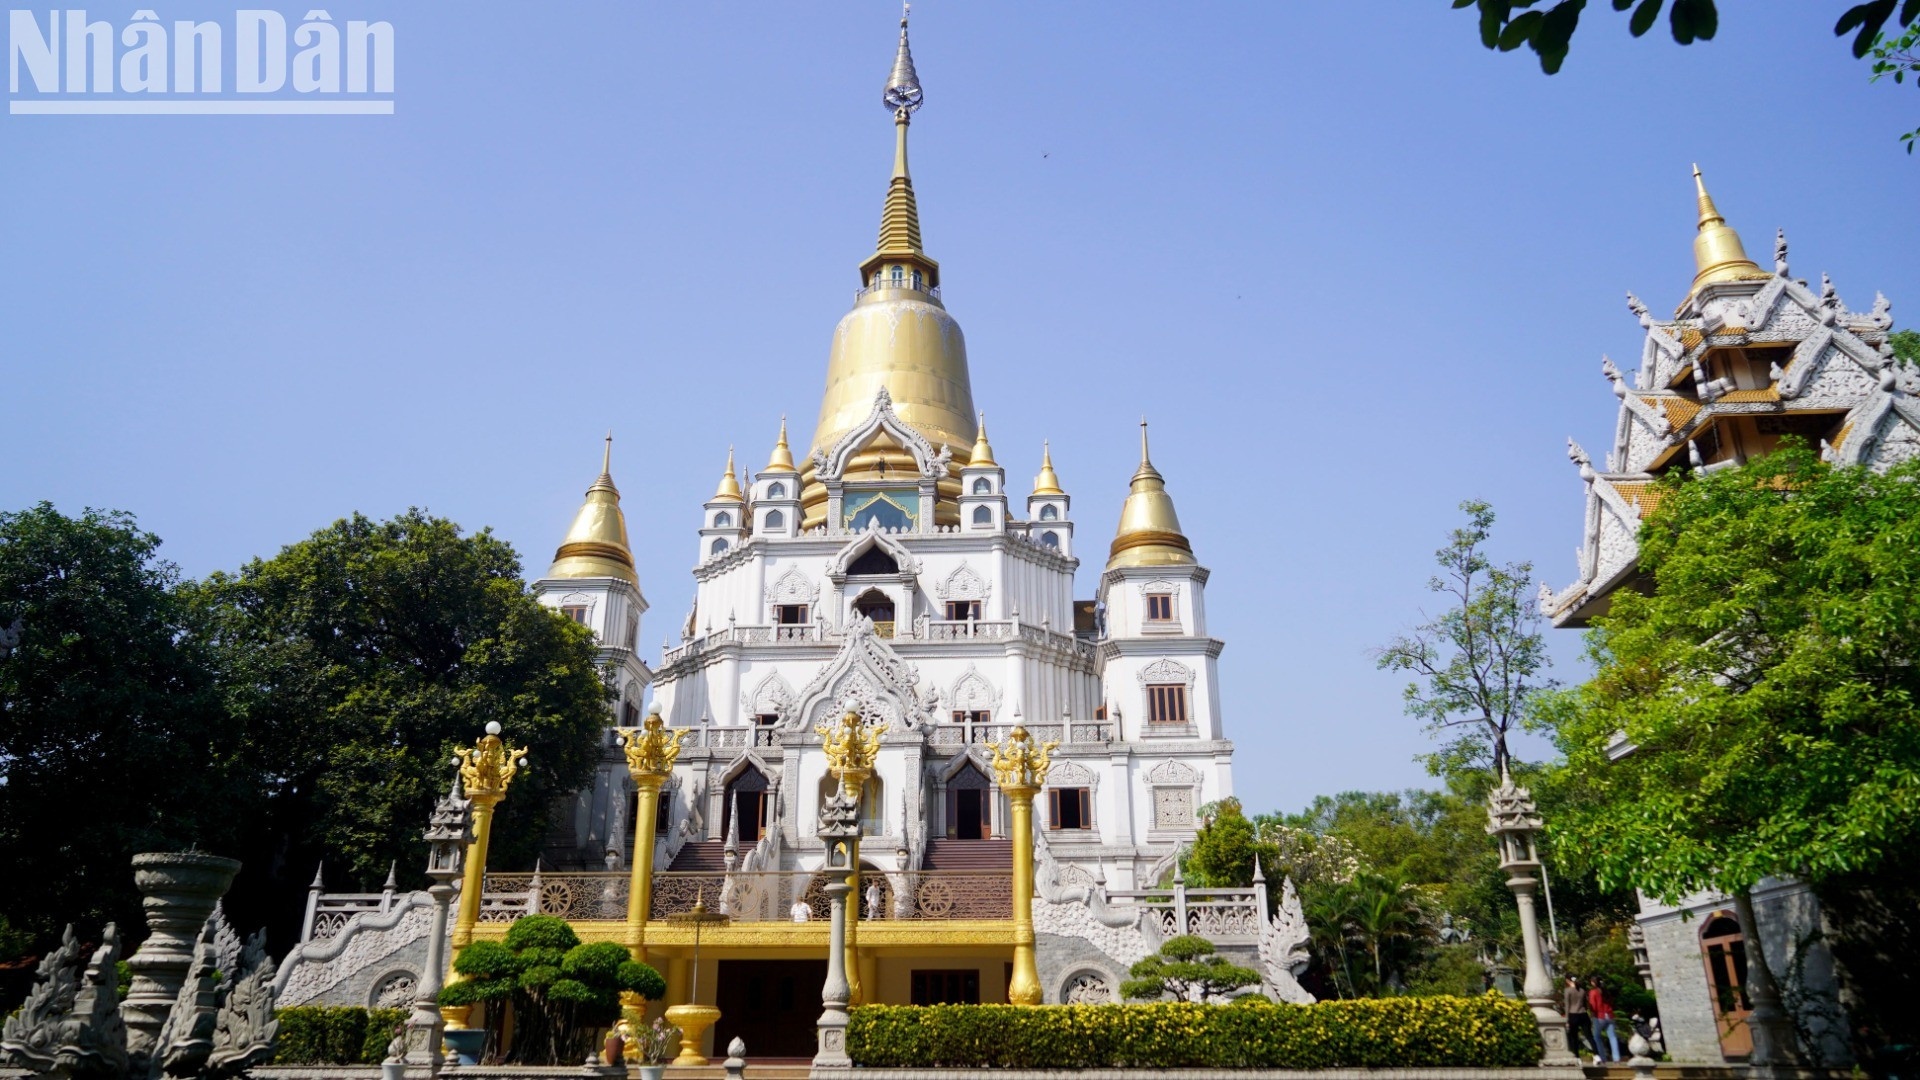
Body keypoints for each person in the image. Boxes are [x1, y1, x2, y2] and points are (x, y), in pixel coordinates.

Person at [1588, 977, 1620, 1063]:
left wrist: (1592, 1015)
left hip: (1599, 1016)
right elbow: (1612, 1002)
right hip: (1609, 1015)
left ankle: (1602, 1057)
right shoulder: (1607, 992)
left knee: (1597, 1037)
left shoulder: (1593, 992)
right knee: (1612, 1037)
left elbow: (1593, 1005)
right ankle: (1616, 1058)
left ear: (1593, 983)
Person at [1563, 975, 1592, 1058]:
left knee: (1574, 1037)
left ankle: (1576, 1056)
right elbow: (1585, 1004)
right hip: (1583, 1013)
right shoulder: (1582, 990)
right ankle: (1596, 1054)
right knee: (1589, 1036)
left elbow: (1567, 1006)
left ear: (1568, 981)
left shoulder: (1567, 990)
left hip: (1573, 1014)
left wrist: (1567, 1019)